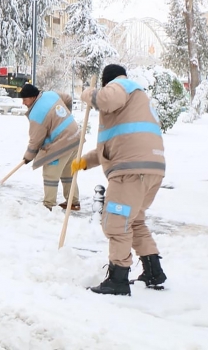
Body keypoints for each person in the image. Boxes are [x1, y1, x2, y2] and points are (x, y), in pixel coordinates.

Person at [72, 63, 168, 296]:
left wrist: (87, 93)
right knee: (134, 221)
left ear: (107, 82)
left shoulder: (120, 85)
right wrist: (84, 162)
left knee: (116, 222)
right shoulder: (135, 103)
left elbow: (104, 99)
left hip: (129, 172)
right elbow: (110, 149)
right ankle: (153, 272)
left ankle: (117, 279)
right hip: (151, 169)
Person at [20, 83, 81, 211]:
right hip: (75, 136)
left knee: (50, 174)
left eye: (25, 99)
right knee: (68, 173)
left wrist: (27, 158)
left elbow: (35, 141)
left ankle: (48, 205)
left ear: (32, 97)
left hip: (61, 142)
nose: (23, 103)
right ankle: (73, 202)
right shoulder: (51, 94)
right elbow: (68, 99)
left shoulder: (37, 113)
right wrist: (66, 115)